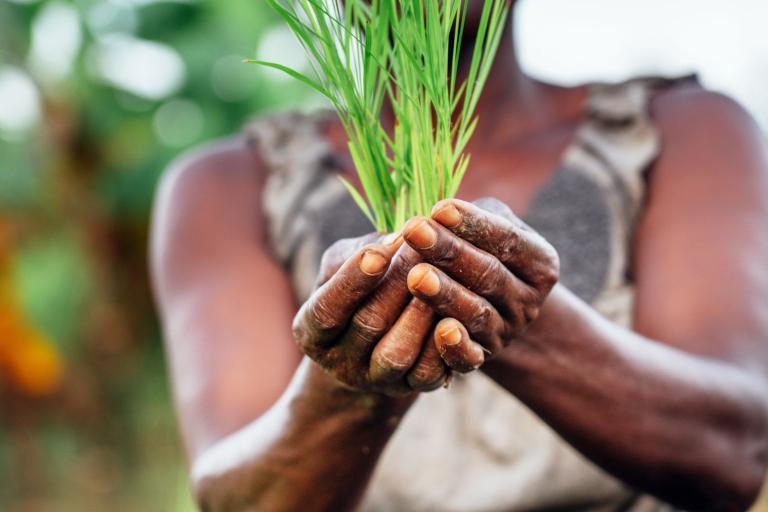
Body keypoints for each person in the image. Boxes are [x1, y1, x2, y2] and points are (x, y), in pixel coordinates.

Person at [150, 2, 768, 510]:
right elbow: (236, 496)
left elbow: (738, 451)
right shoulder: (230, 187)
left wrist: (510, 312)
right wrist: (344, 389)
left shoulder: (682, 133)